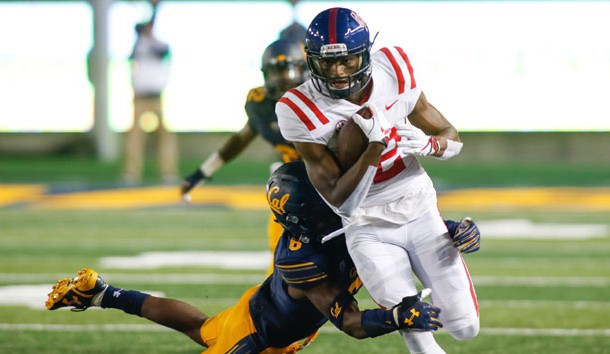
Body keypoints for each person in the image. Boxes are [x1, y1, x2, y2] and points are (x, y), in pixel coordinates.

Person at [46, 161, 448, 354]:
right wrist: (395, 318)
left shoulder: (332, 226)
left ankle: (103, 294)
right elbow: (351, 324)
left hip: (263, 317)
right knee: (209, 332)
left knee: (204, 328)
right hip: (256, 342)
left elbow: (399, 226)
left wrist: (448, 233)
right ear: (312, 215)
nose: (339, 197)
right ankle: (102, 294)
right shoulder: (306, 262)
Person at [276, 7, 480, 354]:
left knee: (465, 326)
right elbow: (342, 200)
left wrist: (432, 145)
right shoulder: (298, 109)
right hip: (367, 226)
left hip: (420, 211)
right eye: (326, 63)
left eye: (346, 61)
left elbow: (452, 136)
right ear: (312, 61)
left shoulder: (394, 69)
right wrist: (373, 149)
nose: (337, 73)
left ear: (365, 55)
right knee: (417, 334)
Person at [180, 38, 308, 275]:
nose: (282, 79)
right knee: (281, 253)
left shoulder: (320, 99)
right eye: (275, 72)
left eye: (288, 70)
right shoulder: (261, 104)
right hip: (295, 188)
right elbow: (241, 139)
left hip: (331, 186)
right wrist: (203, 172)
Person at [123, 1, 178, 184]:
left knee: (165, 136)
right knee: (135, 137)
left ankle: (168, 171)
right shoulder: (139, 45)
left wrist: (155, 9)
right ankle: (131, 173)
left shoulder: (158, 44)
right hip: (140, 97)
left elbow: (162, 52)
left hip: (156, 96)